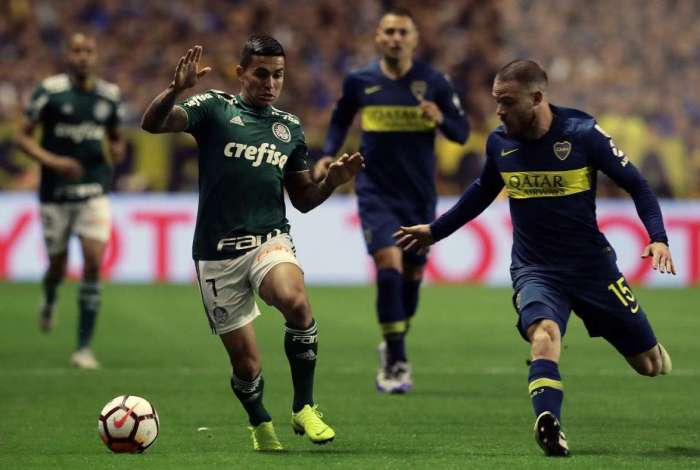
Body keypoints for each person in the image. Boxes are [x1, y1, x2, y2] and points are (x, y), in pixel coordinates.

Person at [395, 60, 674, 457]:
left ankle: (645, 343)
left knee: (651, 365)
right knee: (544, 334)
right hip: (536, 269)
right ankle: (549, 423)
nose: (499, 111)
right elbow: (481, 191)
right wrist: (435, 231)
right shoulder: (499, 143)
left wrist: (658, 238)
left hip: (593, 269)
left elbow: (638, 185)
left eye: (507, 102)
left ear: (538, 98)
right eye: (496, 101)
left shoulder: (583, 134)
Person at [141, 37, 363, 451]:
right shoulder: (213, 108)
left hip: (268, 240)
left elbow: (303, 200)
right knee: (247, 365)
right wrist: (175, 90)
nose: (270, 83)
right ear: (241, 72)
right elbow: (152, 124)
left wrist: (331, 182)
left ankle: (305, 406)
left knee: (295, 301)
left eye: (278, 75)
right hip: (216, 253)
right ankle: (259, 421)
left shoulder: (289, 129)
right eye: (261, 73)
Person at [314, 7, 469, 393]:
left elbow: (462, 133)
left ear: (414, 39)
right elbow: (339, 119)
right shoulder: (359, 81)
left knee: (412, 279)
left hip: (418, 195)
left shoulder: (434, 82)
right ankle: (397, 362)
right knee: (388, 266)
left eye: (403, 32)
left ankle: (393, 342)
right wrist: (328, 152)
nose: (396, 38)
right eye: (389, 31)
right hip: (375, 190)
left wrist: (440, 119)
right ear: (378, 39)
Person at [14, 33, 124, 369]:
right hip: (55, 193)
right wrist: (52, 161)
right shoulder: (49, 91)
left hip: (93, 190)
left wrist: (116, 151)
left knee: (92, 262)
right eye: (77, 51)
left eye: (88, 51)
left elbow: (116, 139)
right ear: (68, 55)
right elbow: (21, 136)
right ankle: (49, 297)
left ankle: (83, 347)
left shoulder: (110, 96)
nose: (83, 57)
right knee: (58, 267)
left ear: (96, 55)